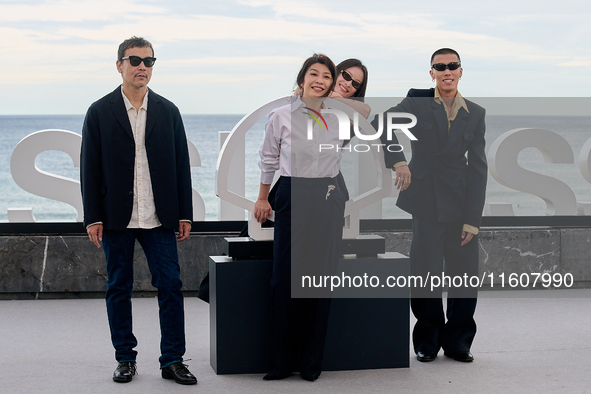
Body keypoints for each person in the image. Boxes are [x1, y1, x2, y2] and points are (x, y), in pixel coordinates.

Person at [80, 36, 197, 385]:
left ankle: (172, 359)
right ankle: (125, 358)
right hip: (116, 218)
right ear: (120, 65)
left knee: (171, 286)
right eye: (134, 60)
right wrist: (93, 217)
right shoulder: (99, 112)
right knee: (119, 286)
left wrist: (184, 213)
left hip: (159, 217)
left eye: (148, 61)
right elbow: (89, 168)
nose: (142, 67)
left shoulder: (168, 111)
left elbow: (181, 165)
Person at [377, 48, 487, 363]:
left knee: (464, 275)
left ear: (461, 71)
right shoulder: (417, 100)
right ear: (432, 73)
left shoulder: (476, 112)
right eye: (440, 66)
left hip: (461, 200)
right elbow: (383, 122)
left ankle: (458, 342)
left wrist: (473, 218)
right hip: (425, 198)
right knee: (424, 273)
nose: (447, 71)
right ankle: (427, 340)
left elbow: (478, 167)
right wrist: (398, 161)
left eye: (453, 66)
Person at [254, 54, 346, 381]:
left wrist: (337, 100)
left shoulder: (339, 119)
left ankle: (311, 363)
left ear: (332, 84)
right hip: (293, 194)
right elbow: (268, 159)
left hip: (328, 197)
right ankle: (280, 363)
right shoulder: (280, 116)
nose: (319, 80)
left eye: (326, 77)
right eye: (314, 74)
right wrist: (263, 196)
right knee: (285, 279)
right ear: (303, 77)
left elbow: (367, 116)